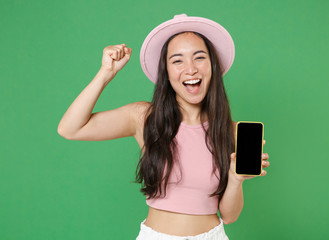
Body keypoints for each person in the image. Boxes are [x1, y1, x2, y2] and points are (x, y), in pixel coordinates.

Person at [58, 14, 270, 240]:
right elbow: (70, 129)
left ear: (213, 66)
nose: (190, 69)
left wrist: (236, 179)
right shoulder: (144, 117)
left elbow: (229, 216)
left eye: (199, 57)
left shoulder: (230, 131)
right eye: (177, 60)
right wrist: (106, 73)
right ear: (166, 73)